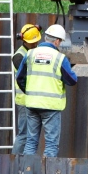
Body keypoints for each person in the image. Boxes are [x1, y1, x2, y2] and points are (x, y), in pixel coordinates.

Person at [16, 24, 77, 157]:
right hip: (51, 107)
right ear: (56, 41)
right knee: (51, 144)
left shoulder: (30, 54)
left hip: (32, 104)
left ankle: (27, 173)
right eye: (60, 41)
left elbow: (19, 77)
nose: (59, 44)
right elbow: (72, 80)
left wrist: (30, 92)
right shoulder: (59, 58)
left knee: (31, 142)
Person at [11, 23, 41, 154]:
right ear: (24, 40)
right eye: (32, 42)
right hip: (24, 101)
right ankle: (14, 163)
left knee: (32, 136)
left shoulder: (35, 51)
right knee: (23, 135)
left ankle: (25, 164)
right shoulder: (18, 57)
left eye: (36, 41)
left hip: (34, 100)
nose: (35, 44)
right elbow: (30, 75)